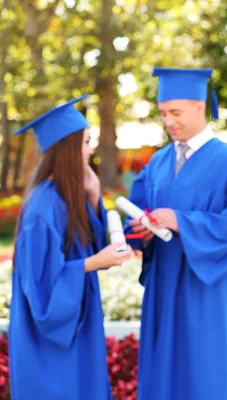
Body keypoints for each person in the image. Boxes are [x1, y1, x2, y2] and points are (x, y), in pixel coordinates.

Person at [124, 68, 227, 399]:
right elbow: (138, 212)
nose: (168, 121)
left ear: (199, 106)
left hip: (212, 288)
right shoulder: (157, 163)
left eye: (175, 112)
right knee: (166, 370)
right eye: (163, 114)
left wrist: (181, 221)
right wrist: (141, 231)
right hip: (164, 284)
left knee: (207, 371)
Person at [9, 94, 131, 400]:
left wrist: (91, 195)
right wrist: (93, 263)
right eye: (86, 142)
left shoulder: (65, 197)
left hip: (77, 327)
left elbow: (89, 243)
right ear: (66, 148)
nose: (90, 150)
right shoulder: (43, 208)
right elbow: (42, 290)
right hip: (51, 343)